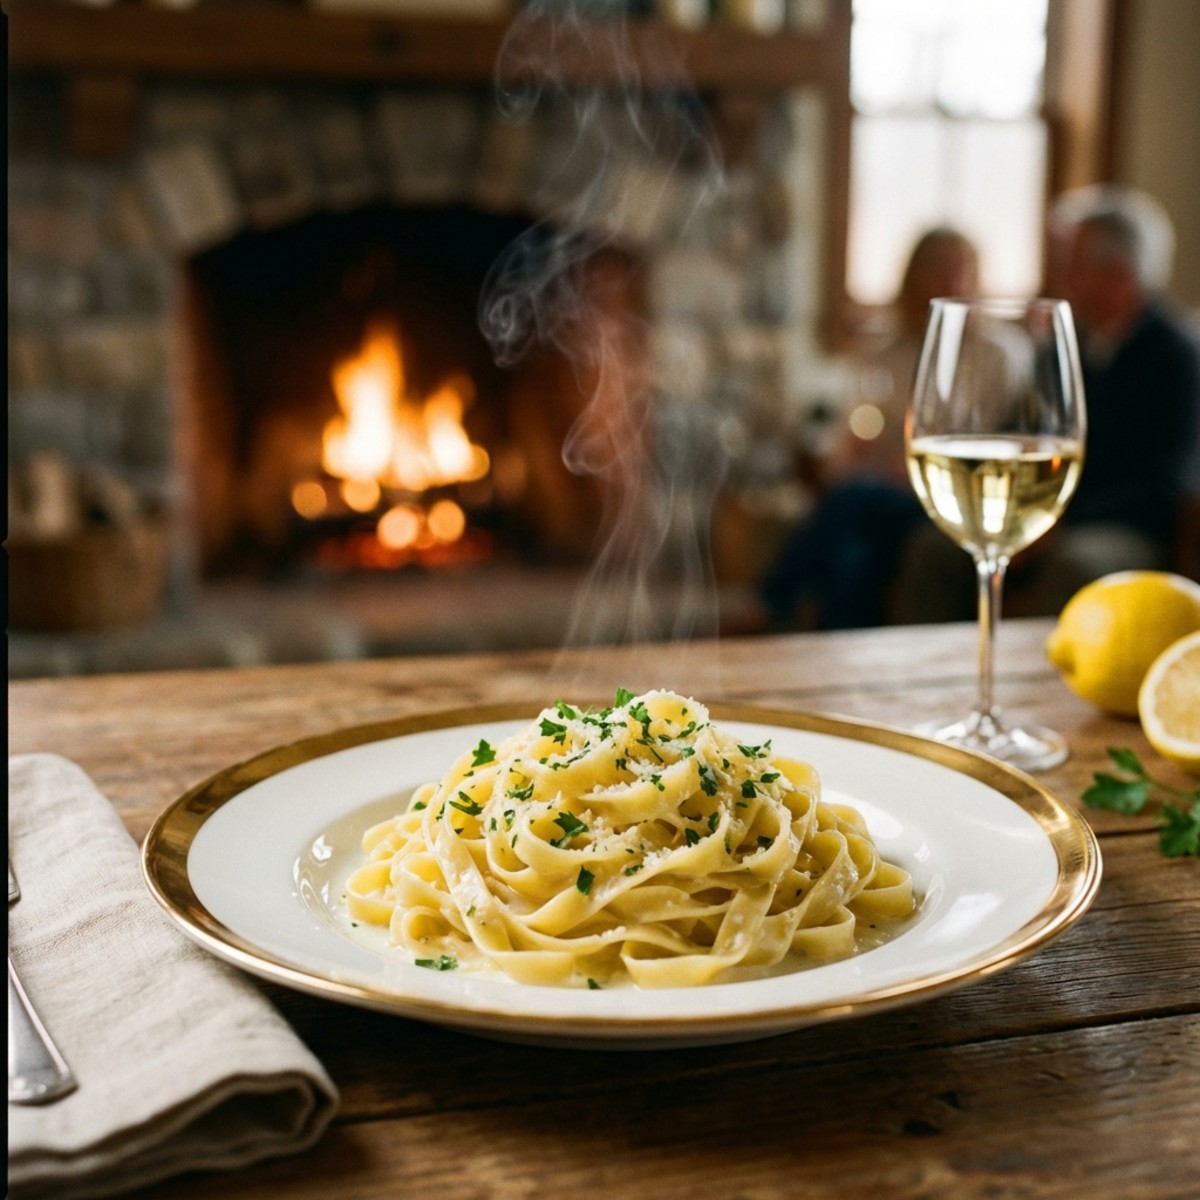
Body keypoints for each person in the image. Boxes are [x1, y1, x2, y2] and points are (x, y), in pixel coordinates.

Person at [892, 186, 1200, 621]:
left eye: (1071, 262)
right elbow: (1016, 433)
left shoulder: (1179, 355)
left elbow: (1165, 484)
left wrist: (1056, 527)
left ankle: (1044, 686)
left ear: (1118, 273)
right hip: (1047, 518)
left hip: (1126, 526)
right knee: (931, 548)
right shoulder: (1058, 345)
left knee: (1073, 564)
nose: (1059, 275)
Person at [752, 228, 979, 630]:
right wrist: (853, 456)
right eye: (938, 270)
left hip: (950, 499)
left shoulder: (995, 357)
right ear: (913, 280)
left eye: (960, 270)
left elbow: (982, 444)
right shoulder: (883, 355)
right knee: (853, 558)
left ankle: (768, 604)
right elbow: (850, 434)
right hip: (885, 496)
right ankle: (842, 677)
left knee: (850, 499)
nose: (951, 282)